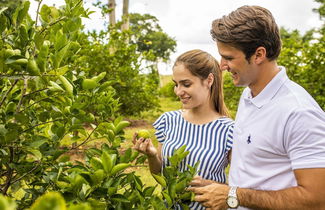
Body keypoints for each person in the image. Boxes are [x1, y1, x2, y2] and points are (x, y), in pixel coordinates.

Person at [188, 5, 325, 210]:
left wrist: (234, 195)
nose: (221, 65)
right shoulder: (249, 95)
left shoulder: (299, 113)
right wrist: (223, 190)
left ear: (259, 54)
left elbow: (316, 200)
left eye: (229, 57)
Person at [132, 49, 234, 209]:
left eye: (186, 84)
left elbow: (242, 191)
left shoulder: (229, 130)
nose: (178, 91)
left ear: (209, 80)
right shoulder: (168, 121)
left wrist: (212, 185)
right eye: (176, 84)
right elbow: (160, 175)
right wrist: (152, 156)